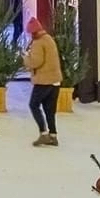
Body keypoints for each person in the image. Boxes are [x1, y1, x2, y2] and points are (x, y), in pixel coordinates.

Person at [23, 16, 61, 147]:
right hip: (55, 80)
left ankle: (43, 134)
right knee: (50, 109)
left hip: (44, 81)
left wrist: (26, 58)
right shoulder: (48, 39)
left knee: (33, 105)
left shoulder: (38, 42)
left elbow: (36, 62)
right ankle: (53, 136)